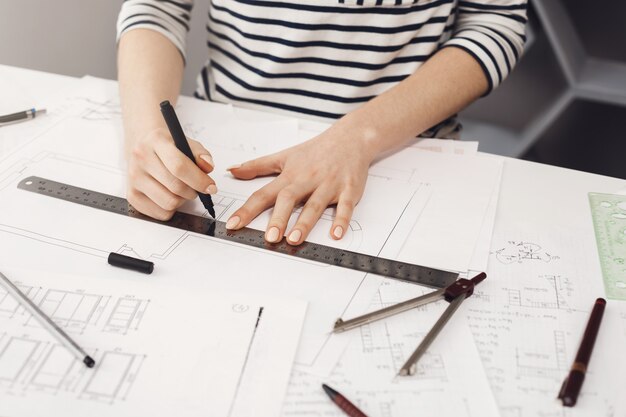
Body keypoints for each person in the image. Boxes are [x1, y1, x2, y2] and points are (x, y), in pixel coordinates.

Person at [116, 0, 527, 245]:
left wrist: (359, 135)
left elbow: (495, 23)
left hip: (400, 154)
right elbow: (157, 8)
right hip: (230, 150)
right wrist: (147, 130)